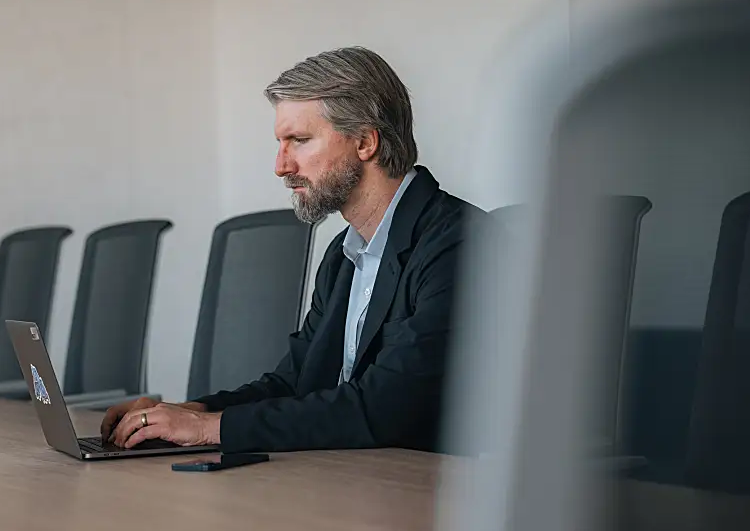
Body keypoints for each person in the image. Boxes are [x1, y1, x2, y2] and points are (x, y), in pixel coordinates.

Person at [101, 46, 485, 453]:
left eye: (298, 141)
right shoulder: (345, 255)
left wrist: (211, 429)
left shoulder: (462, 245)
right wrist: (187, 412)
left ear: (365, 142)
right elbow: (294, 383)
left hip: (424, 495)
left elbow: (384, 407)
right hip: (348, 483)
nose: (281, 166)